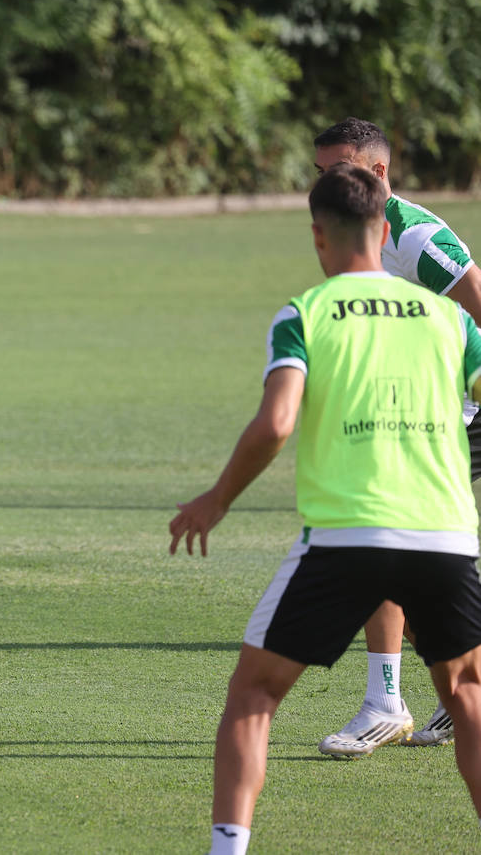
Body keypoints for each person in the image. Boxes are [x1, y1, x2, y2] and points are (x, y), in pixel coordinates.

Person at [169, 164, 481, 855]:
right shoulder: (451, 321)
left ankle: (228, 849)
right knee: (466, 693)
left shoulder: (306, 312)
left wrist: (216, 501)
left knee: (254, 693)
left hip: (348, 535)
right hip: (446, 534)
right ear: (384, 230)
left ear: (318, 236)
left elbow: (277, 424)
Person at [312, 117, 481, 756]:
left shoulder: (418, 240)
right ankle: (432, 695)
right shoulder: (351, 229)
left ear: (378, 173)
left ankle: (388, 703)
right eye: (320, 171)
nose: (325, 183)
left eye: (337, 171)